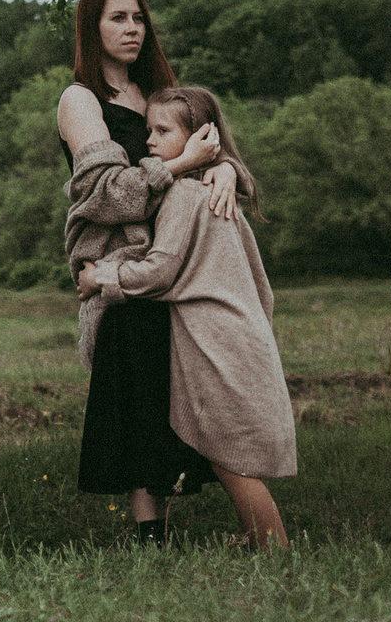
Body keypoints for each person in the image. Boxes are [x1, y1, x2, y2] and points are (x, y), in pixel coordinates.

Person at [58, 0, 237, 546]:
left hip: (183, 263)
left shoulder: (161, 94)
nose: (132, 29)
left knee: (188, 391)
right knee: (137, 397)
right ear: (94, 28)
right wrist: (184, 163)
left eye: (138, 18)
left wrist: (224, 168)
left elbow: (216, 150)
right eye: (117, 19)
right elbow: (108, 193)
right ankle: (149, 539)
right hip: (124, 265)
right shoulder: (81, 100)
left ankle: (236, 519)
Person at [83, 84, 296, 550]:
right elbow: (262, 285)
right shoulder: (219, 193)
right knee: (229, 449)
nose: (150, 141)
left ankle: (274, 546)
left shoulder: (182, 195)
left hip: (213, 338)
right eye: (147, 130)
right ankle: (256, 537)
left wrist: (103, 276)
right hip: (244, 329)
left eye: (162, 131)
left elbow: (160, 271)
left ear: (200, 136)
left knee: (228, 455)